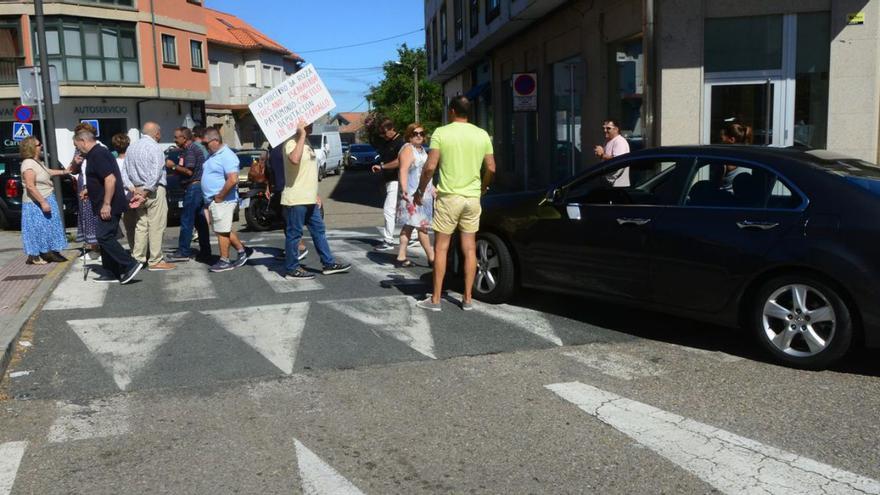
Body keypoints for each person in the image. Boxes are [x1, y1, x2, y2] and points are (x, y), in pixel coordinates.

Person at [414, 96, 495, 311]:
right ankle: (467, 298)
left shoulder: (442, 133)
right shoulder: (482, 134)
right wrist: (483, 187)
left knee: (441, 247)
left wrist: (420, 190)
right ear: (469, 112)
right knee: (469, 248)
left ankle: (436, 299)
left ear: (451, 111)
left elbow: (430, 166)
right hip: (472, 197)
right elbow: (492, 167)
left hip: (449, 196)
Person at [280, 122, 350, 280]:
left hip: (310, 198)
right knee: (295, 234)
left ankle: (328, 263)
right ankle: (291, 268)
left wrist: (316, 194)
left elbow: (308, 172)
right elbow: (294, 160)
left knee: (319, 230)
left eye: (311, 124)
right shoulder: (291, 142)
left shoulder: (307, 143)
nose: (310, 127)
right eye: (307, 125)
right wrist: (301, 135)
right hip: (295, 199)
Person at [74, 127, 142, 284]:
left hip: (110, 204)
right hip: (104, 202)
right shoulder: (94, 154)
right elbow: (99, 179)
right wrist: (88, 190)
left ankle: (129, 264)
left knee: (103, 236)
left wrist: (106, 204)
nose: (77, 149)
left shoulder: (98, 154)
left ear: (83, 141)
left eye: (77, 145)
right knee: (105, 236)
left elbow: (110, 179)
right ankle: (110, 271)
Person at [121, 122, 175, 271]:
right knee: (156, 225)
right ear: (156, 133)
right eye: (160, 133)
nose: (160, 136)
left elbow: (124, 172)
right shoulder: (155, 147)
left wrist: (133, 189)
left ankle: (138, 258)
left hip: (136, 189)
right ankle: (155, 260)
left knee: (141, 224)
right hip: (152, 190)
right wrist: (146, 190)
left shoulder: (131, 147)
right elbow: (156, 172)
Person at [201, 127, 252, 273]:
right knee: (223, 229)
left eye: (206, 143)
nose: (205, 146)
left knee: (222, 231)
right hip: (213, 200)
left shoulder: (227, 156)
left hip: (223, 200)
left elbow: (233, 179)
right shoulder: (213, 154)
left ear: (215, 140)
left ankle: (224, 260)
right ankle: (242, 251)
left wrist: (220, 196)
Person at [18, 136, 68, 265]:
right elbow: (30, 186)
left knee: (47, 228)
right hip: (35, 202)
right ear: (31, 148)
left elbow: (47, 172)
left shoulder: (37, 162)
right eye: (38, 144)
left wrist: (65, 171)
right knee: (37, 229)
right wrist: (43, 202)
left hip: (45, 197)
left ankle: (45, 252)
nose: (41, 146)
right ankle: (35, 256)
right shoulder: (28, 163)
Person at [165, 127, 212, 262]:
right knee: (200, 221)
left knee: (187, 220)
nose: (174, 139)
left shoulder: (191, 150)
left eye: (176, 137)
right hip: (196, 188)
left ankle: (183, 251)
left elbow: (189, 171)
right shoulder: (188, 150)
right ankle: (205, 251)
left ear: (184, 138)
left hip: (193, 188)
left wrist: (173, 166)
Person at [395, 123, 435, 268]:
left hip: (424, 194)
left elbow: (424, 173)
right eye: (415, 133)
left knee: (410, 226)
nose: (419, 136)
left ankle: (401, 256)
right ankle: (432, 258)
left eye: (421, 133)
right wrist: (404, 190)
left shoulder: (422, 150)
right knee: (421, 227)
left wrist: (433, 187)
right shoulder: (408, 149)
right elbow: (403, 170)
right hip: (412, 194)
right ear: (409, 135)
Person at [269, 143, 310, 262]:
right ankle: (291, 249)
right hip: (278, 188)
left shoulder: (289, 144)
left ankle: (300, 247)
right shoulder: (272, 148)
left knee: (290, 222)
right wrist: (269, 186)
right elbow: (272, 169)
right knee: (285, 221)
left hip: (289, 188)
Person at [371, 118, 405, 251]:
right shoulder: (387, 142)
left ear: (392, 129)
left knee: (388, 211)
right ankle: (413, 236)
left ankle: (388, 240)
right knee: (400, 210)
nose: (384, 136)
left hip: (396, 180)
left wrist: (382, 166)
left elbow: (399, 161)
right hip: (389, 180)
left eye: (385, 133)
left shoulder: (400, 143)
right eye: (382, 134)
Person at [69, 122, 100, 260]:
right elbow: (73, 170)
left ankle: (97, 249)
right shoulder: (79, 150)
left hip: (91, 184)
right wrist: (75, 162)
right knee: (86, 215)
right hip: (83, 183)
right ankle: (91, 247)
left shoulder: (98, 148)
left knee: (94, 215)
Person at [594, 119, 631, 186]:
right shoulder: (607, 141)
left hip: (617, 184)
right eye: (604, 128)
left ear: (616, 129)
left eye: (608, 128)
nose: (605, 130)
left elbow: (618, 161)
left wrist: (602, 155)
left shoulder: (619, 141)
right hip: (608, 182)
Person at [719, 122, 754, 191]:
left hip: (726, 199)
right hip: (744, 198)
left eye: (722, 139)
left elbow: (715, 185)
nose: (721, 142)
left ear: (732, 139)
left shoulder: (727, 160)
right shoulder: (749, 157)